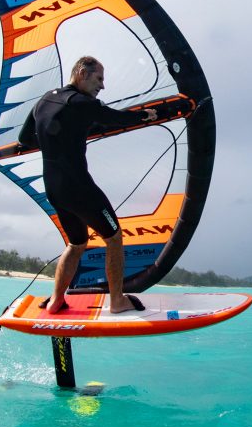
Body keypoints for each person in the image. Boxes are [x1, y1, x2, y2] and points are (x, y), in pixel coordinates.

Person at [18, 56, 157, 314]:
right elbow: (116, 119)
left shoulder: (45, 100)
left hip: (54, 188)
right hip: (78, 186)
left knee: (76, 243)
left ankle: (57, 299)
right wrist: (145, 115)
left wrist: (63, 132)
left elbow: (25, 138)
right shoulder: (81, 103)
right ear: (82, 72)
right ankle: (117, 301)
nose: (102, 87)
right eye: (99, 79)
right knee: (113, 237)